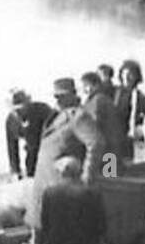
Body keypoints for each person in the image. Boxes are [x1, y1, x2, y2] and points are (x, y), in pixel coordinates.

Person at [26, 77, 106, 233]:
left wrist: (87, 177)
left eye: (62, 96)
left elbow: (97, 143)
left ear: (72, 95)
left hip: (61, 190)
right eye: (56, 96)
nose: (58, 99)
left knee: (61, 235)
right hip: (46, 186)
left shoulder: (78, 116)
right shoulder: (56, 116)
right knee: (43, 230)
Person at [31, 157, 107, 244]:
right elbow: (102, 227)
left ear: (61, 173)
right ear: (80, 172)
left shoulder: (50, 193)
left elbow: (44, 227)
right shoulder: (94, 193)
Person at [79, 70, 126, 167]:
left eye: (85, 86)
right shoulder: (103, 99)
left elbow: (93, 125)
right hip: (112, 149)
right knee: (110, 177)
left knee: (108, 178)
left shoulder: (97, 101)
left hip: (107, 151)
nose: (84, 90)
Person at [4, 88, 53, 178]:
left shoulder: (43, 111)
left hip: (48, 149)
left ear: (28, 104)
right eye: (15, 110)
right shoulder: (11, 121)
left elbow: (56, 132)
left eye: (21, 108)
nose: (18, 113)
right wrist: (16, 171)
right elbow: (12, 148)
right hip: (31, 153)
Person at [113, 59, 145, 162]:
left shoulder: (141, 97)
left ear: (137, 77)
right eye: (124, 74)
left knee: (127, 164)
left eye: (130, 75)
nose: (127, 77)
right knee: (109, 169)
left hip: (128, 138)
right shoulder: (113, 92)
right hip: (112, 136)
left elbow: (142, 119)